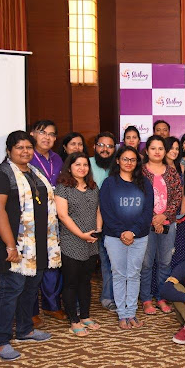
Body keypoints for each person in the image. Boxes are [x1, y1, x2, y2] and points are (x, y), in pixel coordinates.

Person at [0, 131, 60, 360]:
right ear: (9, 150)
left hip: (38, 245)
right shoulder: (0, 174)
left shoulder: (35, 172)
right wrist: (10, 245)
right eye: (19, 147)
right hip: (14, 245)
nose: (25, 151)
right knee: (11, 290)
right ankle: (0, 341)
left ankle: (25, 329)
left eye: (29, 147)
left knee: (30, 288)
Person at [99, 146, 154, 330]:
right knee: (119, 274)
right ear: (117, 161)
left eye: (132, 160)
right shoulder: (109, 183)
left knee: (134, 274)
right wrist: (122, 232)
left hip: (139, 236)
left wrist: (133, 232)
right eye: (125, 159)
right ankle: (122, 314)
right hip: (115, 237)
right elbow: (106, 211)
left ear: (137, 162)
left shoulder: (145, 183)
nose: (129, 163)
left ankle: (131, 312)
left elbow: (147, 212)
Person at [54, 152, 102, 336]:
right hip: (71, 241)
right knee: (71, 282)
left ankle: (85, 316)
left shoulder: (93, 187)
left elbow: (98, 211)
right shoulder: (63, 187)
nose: (82, 168)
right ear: (69, 167)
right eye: (77, 164)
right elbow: (63, 215)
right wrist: (82, 235)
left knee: (86, 281)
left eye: (85, 164)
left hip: (91, 241)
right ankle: (74, 320)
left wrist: (97, 230)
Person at [140, 135, 182, 315]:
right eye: (153, 148)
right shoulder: (140, 171)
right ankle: (146, 299)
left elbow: (177, 196)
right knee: (146, 263)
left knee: (165, 262)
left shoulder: (171, 172)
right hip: (145, 225)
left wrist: (164, 216)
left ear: (165, 151)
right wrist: (153, 218)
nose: (157, 152)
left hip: (168, 223)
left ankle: (161, 297)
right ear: (147, 150)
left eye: (160, 148)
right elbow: (138, 197)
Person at [29, 120, 65, 323]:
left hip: (55, 219)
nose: (47, 137)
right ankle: (31, 310)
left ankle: (52, 305)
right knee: (33, 264)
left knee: (53, 263)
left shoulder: (57, 159)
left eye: (51, 134)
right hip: (32, 219)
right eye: (43, 132)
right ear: (33, 134)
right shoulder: (26, 156)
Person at [89, 131, 117, 312]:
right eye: (101, 145)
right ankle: (78, 303)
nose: (105, 149)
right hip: (87, 221)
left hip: (111, 222)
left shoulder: (118, 165)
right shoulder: (86, 164)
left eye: (109, 146)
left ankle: (108, 297)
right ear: (94, 147)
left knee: (108, 261)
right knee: (84, 263)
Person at [165, 136, 185, 270]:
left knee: (180, 247)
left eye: (177, 149)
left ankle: (178, 278)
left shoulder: (180, 166)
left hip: (179, 213)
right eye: (171, 148)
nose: (174, 151)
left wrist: (182, 210)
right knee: (165, 250)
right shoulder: (159, 167)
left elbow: (183, 190)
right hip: (162, 214)